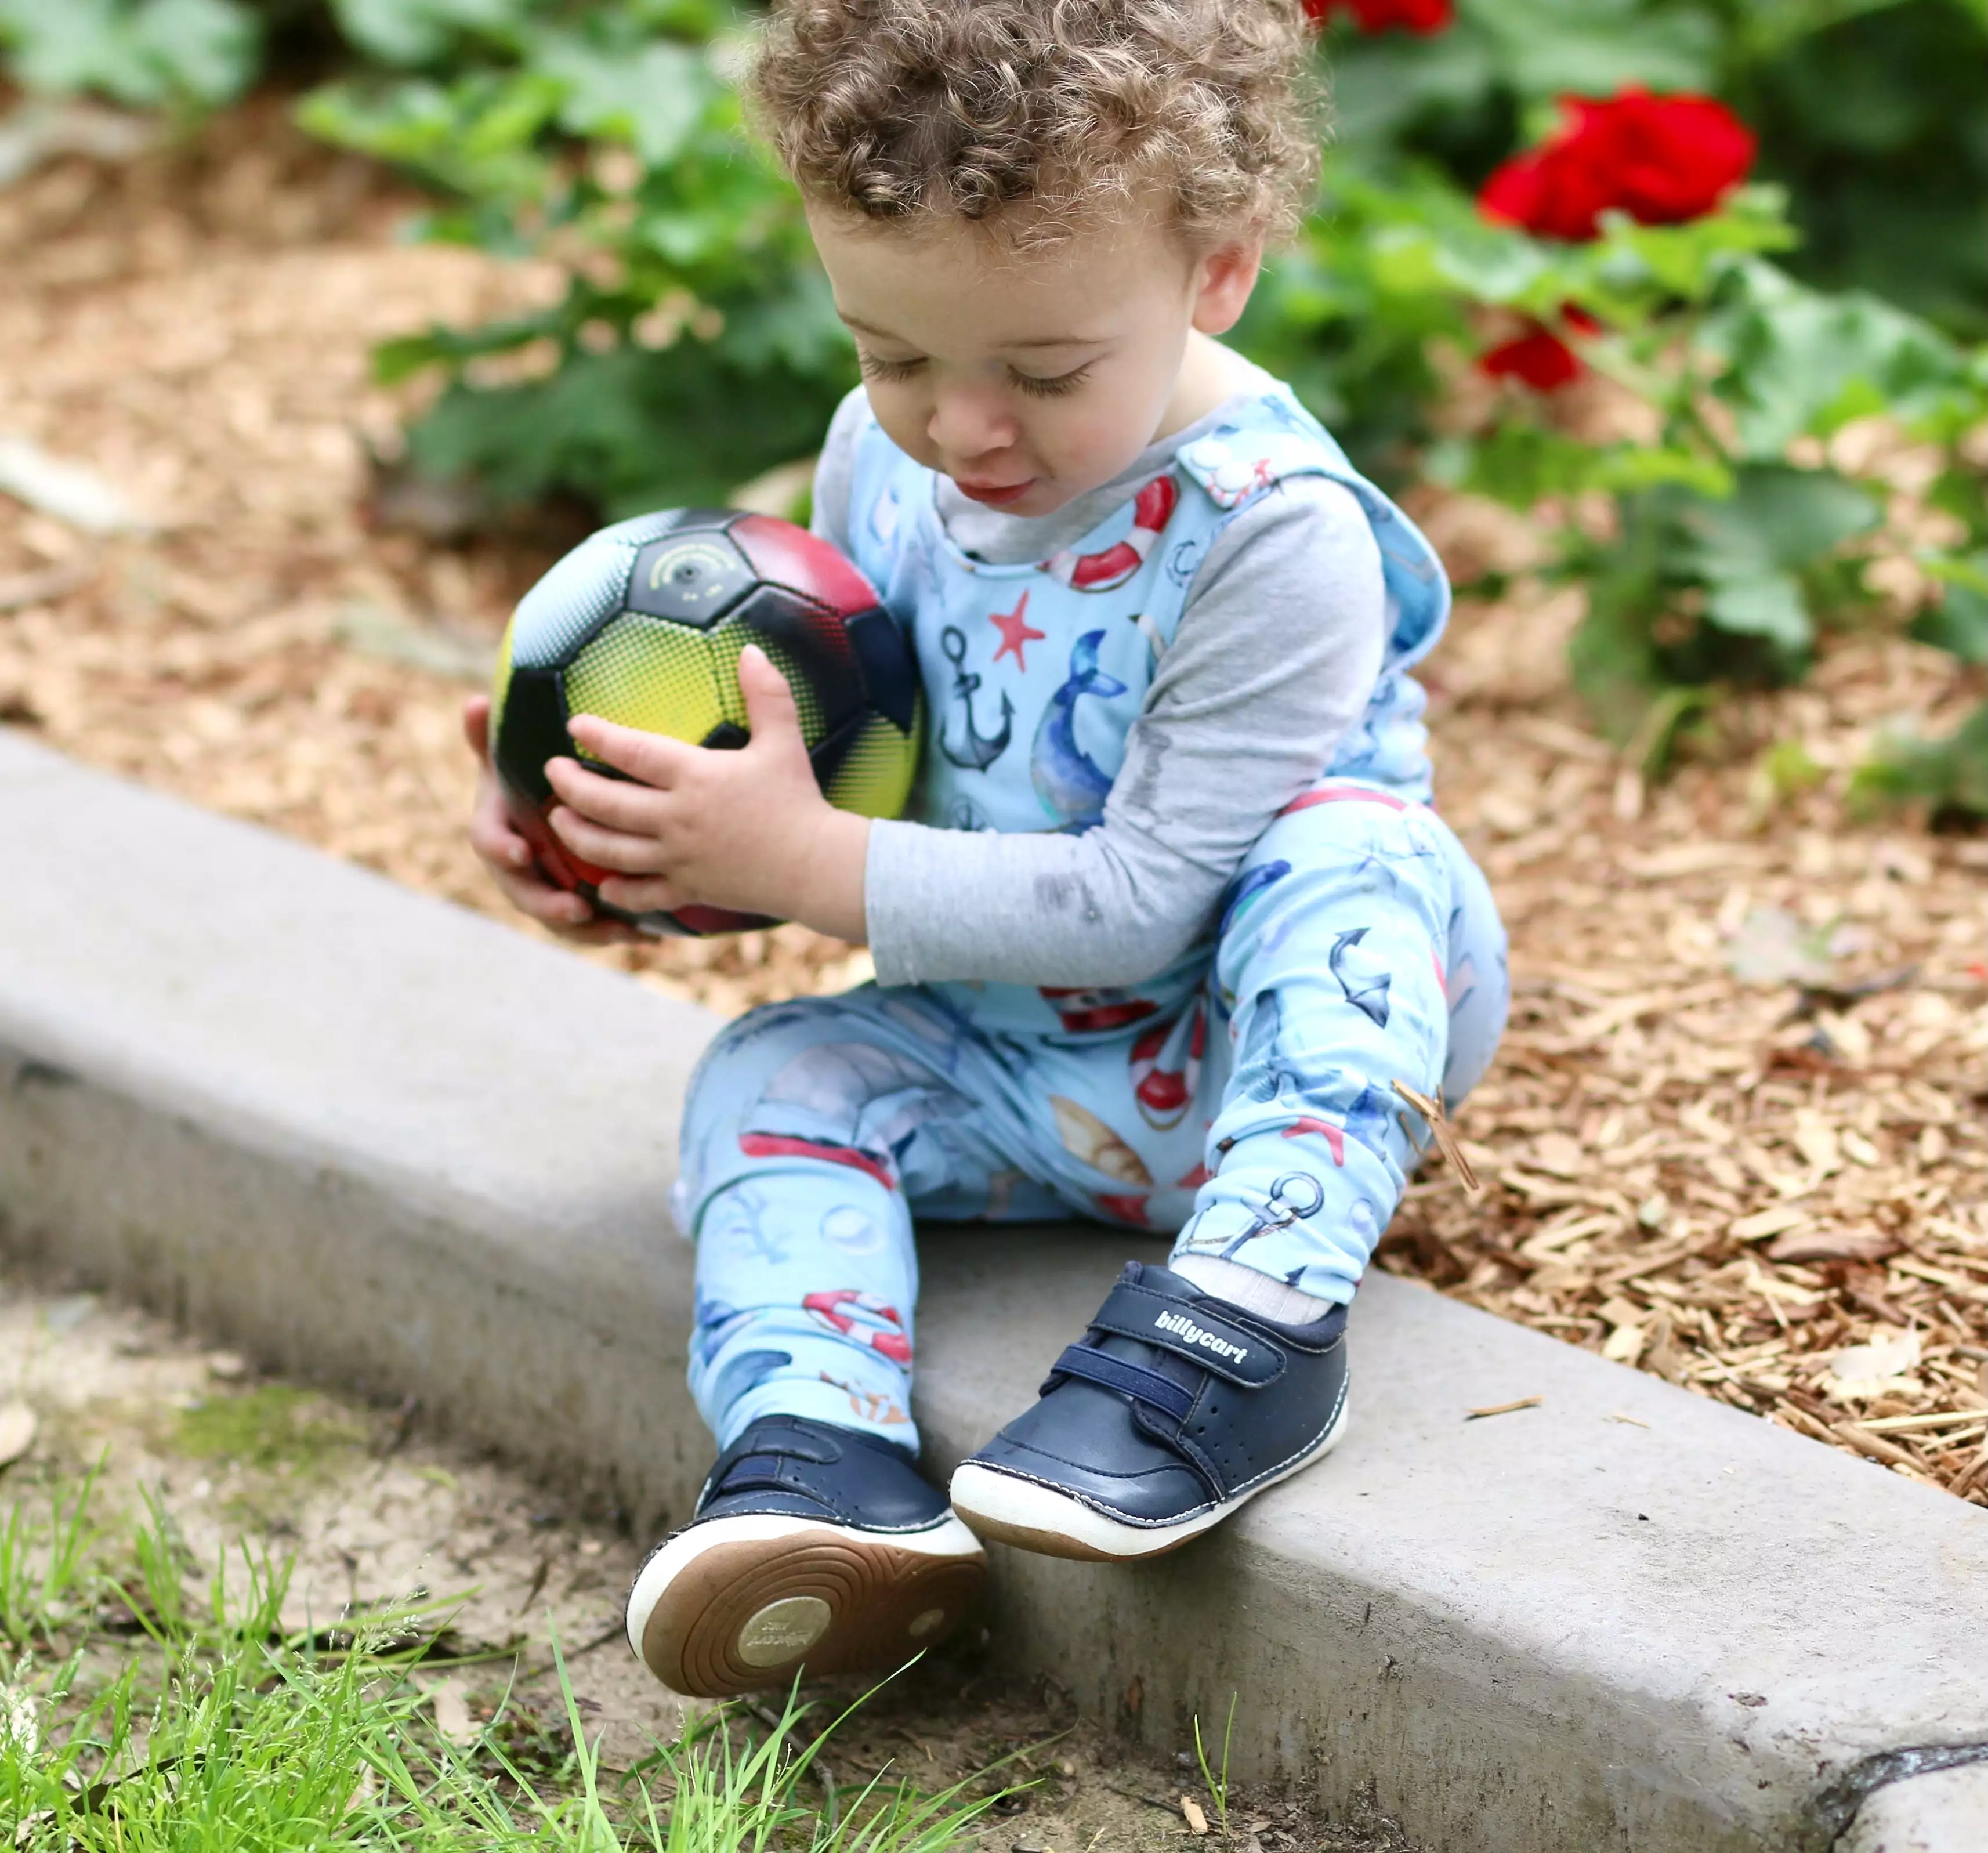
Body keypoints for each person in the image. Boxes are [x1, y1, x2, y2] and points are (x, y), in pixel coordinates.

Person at [464, 0, 1508, 1699]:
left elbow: (1137, 900)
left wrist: (806, 867)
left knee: (1355, 856)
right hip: (1023, 1067)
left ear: (1219, 270)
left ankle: (1252, 1322)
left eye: (1043, 372)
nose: (961, 430)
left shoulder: (1271, 535)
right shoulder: (881, 454)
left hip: (1260, 1054)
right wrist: (639, 851)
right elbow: (854, 794)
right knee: (773, 1073)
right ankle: (828, 1468)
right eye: (893, 354)